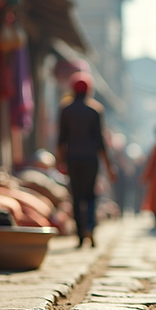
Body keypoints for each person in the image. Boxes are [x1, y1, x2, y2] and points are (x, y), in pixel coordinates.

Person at [56, 72, 116, 248]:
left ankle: (80, 235)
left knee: (76, 196)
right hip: (90, 158)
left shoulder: (65, 110)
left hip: (72, 158)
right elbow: (100, 141)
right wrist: (109, 166)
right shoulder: (95, 110)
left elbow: (62, 139)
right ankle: (90, 226)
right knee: (90, 195)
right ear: (89, 90)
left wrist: (58, 161)